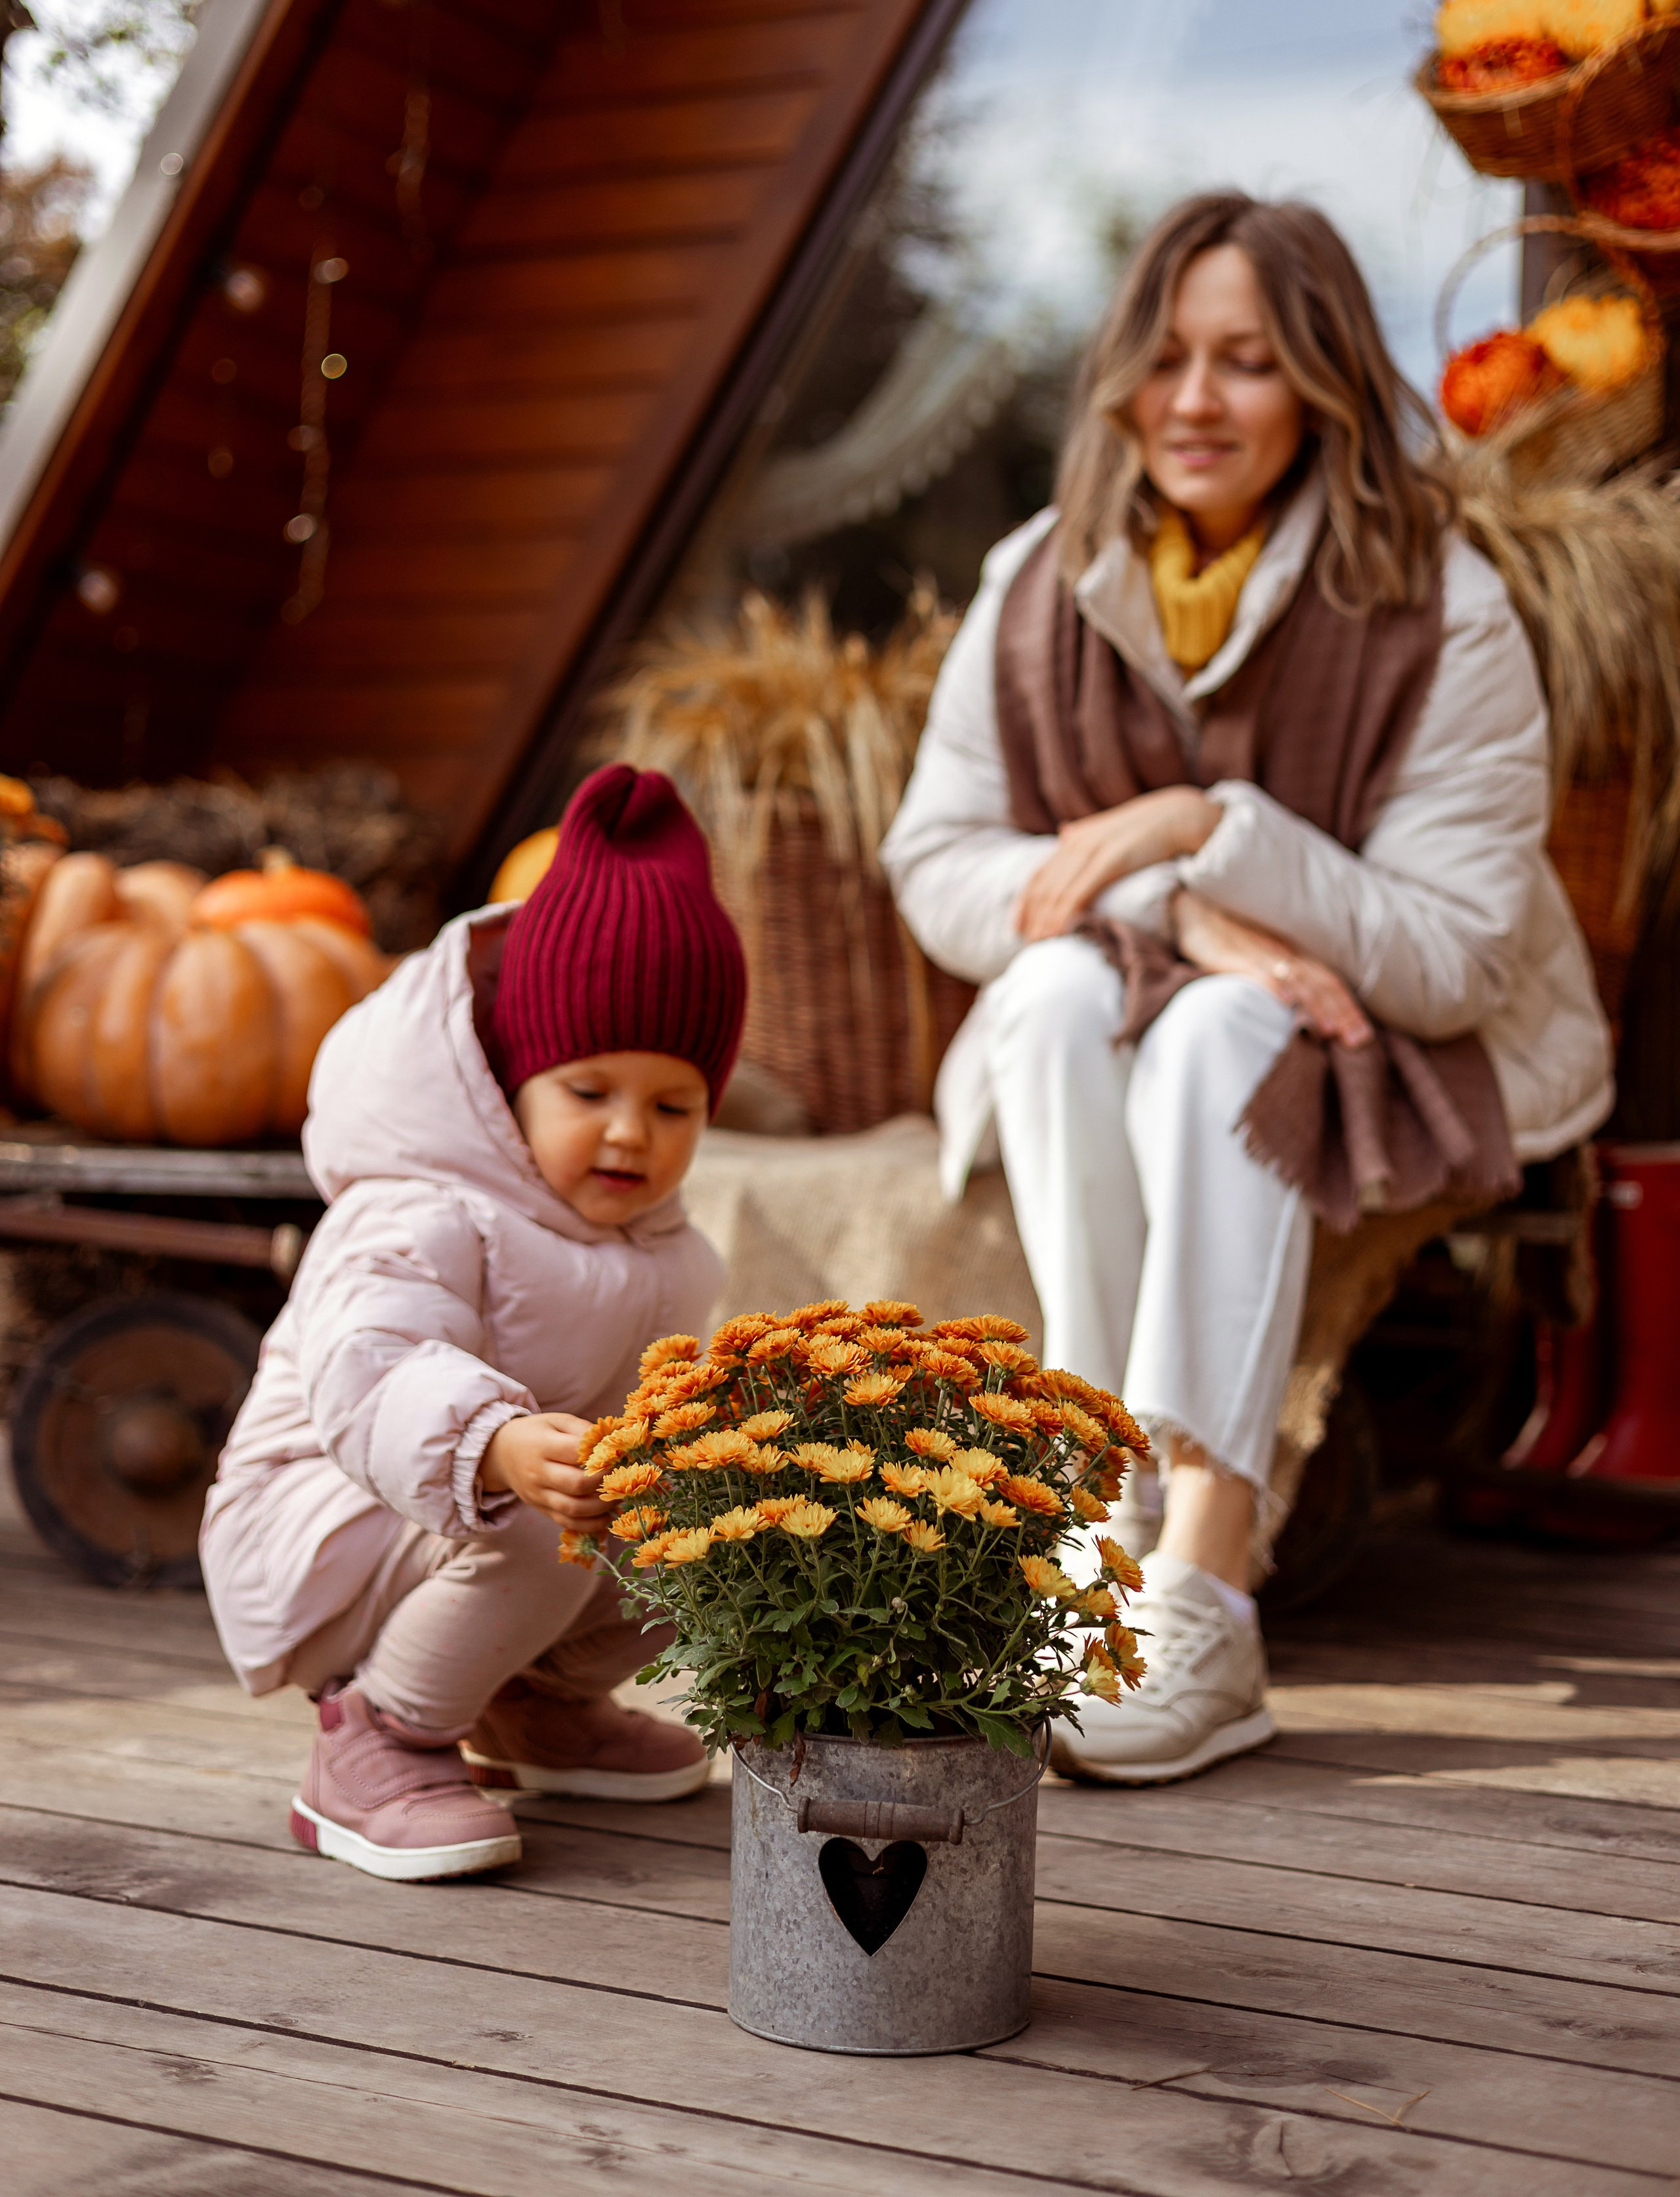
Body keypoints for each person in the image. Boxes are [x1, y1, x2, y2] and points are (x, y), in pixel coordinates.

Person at [881, 190, 1612, 1785]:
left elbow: (1449, 955)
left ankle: (1205, 1588)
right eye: (1164, 358)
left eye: (1247, 361)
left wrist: (1207, 828)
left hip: (1383, 1030)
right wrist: (1170, 899)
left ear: (1325, 385)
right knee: (1055, 999)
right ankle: (1092, 1523)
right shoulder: (1038, 579)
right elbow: (937, 866)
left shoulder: (1443, 604)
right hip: (1109, 1002)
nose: (1193, 401)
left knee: (1222, 1023)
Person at [200, 764, 746, 1879]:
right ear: (512, 1080)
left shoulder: (667, 1248)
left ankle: (531, 1705)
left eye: (673, 1105)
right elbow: (371, 1365)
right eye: (588, 1092)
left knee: (703, 1510)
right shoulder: (421, 1208)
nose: (631, 1134)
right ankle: (379, 1740)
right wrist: (494, 1442)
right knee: (552, 1529)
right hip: (315, 1522)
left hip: (473, 1526)